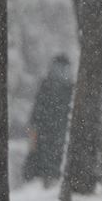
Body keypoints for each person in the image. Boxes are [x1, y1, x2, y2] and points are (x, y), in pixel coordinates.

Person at [22, 53, 74, 186]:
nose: (61, 72)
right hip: (48, 134)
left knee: (53, 164)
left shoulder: (68, 89)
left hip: (57, 134)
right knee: (48, 165)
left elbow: (36, 113)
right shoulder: (48, 87)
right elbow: (37, 112)